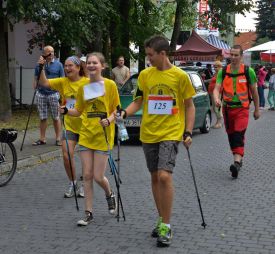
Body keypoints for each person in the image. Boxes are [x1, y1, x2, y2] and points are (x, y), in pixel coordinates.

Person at [120, 35, 196, 247]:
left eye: (151, 55)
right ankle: (162, 218)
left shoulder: (180, 76)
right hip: (149, 132)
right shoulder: (145, 75)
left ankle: (167, 226)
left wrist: (188, 131)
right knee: (154, 177)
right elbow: (139, 101)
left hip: (171, 132)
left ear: (163, 54)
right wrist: (124, 113)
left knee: (164, 176)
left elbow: (189, 106)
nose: (148, 59)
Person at [60, 52, 119, 226]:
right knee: (86, 175)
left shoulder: (110, 85)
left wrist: (109, 119)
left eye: (95, 63)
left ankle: (109, 194)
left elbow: (117, 109)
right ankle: (88, 213)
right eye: (89, 63)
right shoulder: (83, 88)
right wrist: (65, 111)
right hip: (86, 134)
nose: (91, 65)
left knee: (98, 176)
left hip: (103, 135)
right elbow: (78, 111)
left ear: (102, 66)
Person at [38, 55, 89, 198]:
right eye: (65, 66)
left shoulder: (87, 82)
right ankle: (73, 182)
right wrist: (41, 68)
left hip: (87, 127)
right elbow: (44, 83)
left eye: (70, 65)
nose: (67, 68)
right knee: (66, 156)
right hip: (70, 126)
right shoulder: (63, 82)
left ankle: (85, 184)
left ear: (78, 67)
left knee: (86, 159)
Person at [213, 45, 260, 179]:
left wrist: (256, 109)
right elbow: (217, 88)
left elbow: (254, 92)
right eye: (231, 55)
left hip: (242, 109)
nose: (233, 58)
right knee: (231, 135)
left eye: (236, 55)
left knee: (239, 134)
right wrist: (216, 98)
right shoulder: (223, 71)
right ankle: (238, 159)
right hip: (227, 109)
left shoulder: (248, 71)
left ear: (241, 56)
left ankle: (236, 162)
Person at [32, 45, 64, 146]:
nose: (51, 54)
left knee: (56, 117)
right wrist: (35, 88)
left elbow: (62, 79)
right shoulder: (39, 65)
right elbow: (36, 78)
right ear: (44, 54)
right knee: (43, 117)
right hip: (41, 93)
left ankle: (58, 138)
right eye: (49, 52)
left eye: (53, 52)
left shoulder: (59, 65)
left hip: (53, 94)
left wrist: (61, 94)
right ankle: (42, 139)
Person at [207, 61, 223, 128]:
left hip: (217, 92)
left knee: (217, 107)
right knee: (214, 107)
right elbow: (212, 80)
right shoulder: (216, 73)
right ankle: (217, 121)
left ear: (219, 66)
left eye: (216, 67)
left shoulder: (221, 73)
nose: (214, 68)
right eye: (214, 67)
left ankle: (219, 122)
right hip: (212, 92)